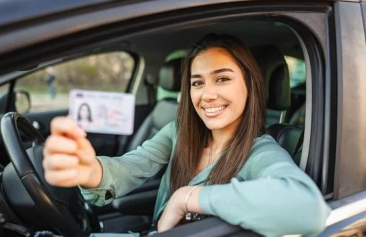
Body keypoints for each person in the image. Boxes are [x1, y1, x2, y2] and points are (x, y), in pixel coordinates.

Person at [42, 34, 331, 237]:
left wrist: (186, 197)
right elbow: (132, 166)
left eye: (222, 78)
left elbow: (307, 208)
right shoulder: (179, 131)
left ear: (250, 85)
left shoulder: (261, 152)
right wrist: (88, 169)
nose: (207, 95)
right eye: (197, 82)